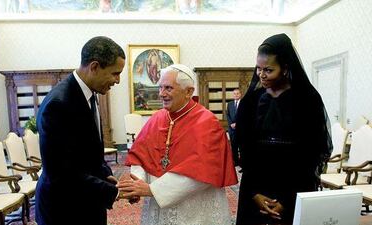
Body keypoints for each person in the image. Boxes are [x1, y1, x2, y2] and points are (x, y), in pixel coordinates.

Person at [118, 64, 238, 225]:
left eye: (168, 88)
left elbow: (203, 171)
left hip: (194, 208)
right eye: (160, 87)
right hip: (158, 203)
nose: (161, 94)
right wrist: (137, 183)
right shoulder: (157, 118)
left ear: (188, 91)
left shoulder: (207, 122)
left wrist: (153, 190)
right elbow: (139, 156)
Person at [234, 33, 333, 225]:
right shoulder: (251, 101)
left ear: (286, 68)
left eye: (269, 70)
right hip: (256, 188)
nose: (261, 75)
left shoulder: (307, 100)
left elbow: (312, 153)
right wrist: (255, 194)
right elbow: (244, 151)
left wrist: (288, 199)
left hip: (294, 187)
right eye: (258, 69)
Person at [35, 36, 125, 225]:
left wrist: (105, 175)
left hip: (87, 203)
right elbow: (61, 174)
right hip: (64, 211)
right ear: (94, 67)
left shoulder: (88, 93)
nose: (118, 80)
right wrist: (114, 192)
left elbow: (88, 154)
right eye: (115, 73)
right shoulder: (59, 104)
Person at [226, 88, 242, 166]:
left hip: (241, 129)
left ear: (240, 94)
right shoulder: (230, 104)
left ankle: (242, 163)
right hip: (232, 129)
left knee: (242, 147)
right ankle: (235, 162)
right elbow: (227, 115)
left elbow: (245, 116)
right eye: (234, 94)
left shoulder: (244, 103)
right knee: (234, 146)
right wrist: (231, 124)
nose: (236, 95)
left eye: (237, 93)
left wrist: (237, 124)